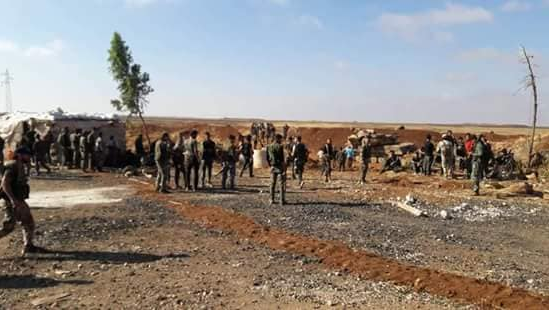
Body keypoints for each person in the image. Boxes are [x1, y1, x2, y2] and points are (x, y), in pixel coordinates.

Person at [0, 147, 44, 255]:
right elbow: (5, 184)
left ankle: (28, 246)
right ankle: (28, 246)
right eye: (27, 155)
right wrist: (13, 200)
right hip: (11, 200)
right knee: (9, 226)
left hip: (17, 199)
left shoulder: (19, 165)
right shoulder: (12, 165)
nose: (29, 157)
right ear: (19, 155)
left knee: (28, 222)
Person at [267, 134, 286, 205]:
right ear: (277, 139)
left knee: (272, 184)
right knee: (281, 184)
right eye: (280, 139)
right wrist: (284, 168)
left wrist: (270, 165)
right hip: (279, 167)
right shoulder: (280, 147)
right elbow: (282, 158)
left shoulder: (269, 146)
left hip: (272, 167)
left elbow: (267, 157)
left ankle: (271, 199)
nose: (281, 140)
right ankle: (281, 200)